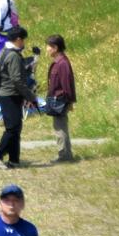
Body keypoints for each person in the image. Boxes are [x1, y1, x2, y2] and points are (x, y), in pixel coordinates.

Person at [0, 26, 34, 169]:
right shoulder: (13, 55)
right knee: (12, 128)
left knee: (16, 127)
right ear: (18, 39)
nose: (24, 42)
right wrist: (30, 96)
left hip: (8, 94)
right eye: (23, 39)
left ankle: (14, 159)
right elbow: (17, 80)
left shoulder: (4, 51)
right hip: (10, 95)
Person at [44, 34, 78, 163]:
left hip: (60, 100)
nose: (47, 49)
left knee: (60, 128)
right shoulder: (58, 62)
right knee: (59, 126)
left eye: (48, 46)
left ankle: (64, 155)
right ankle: (65, 154)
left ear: (55, 47)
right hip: (56, 99)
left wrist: (69, 102)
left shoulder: (62, 63)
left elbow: (67, 85)